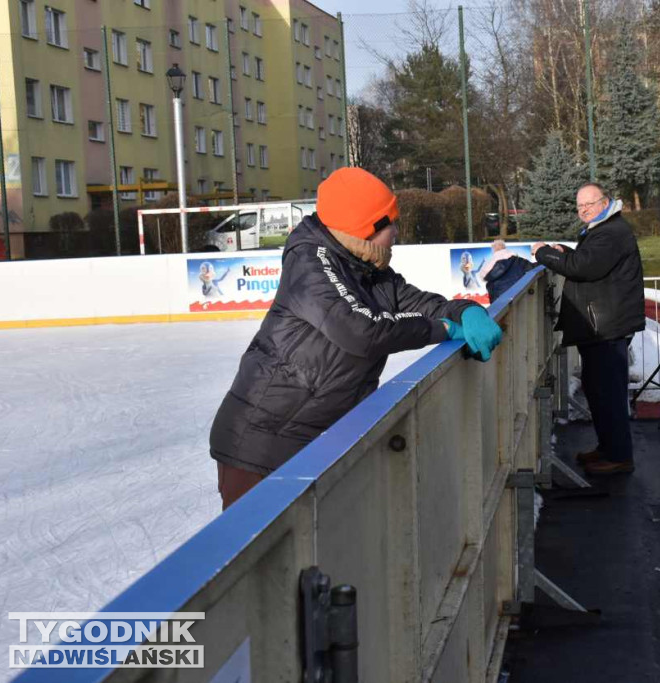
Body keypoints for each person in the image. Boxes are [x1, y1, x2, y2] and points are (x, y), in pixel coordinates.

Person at [210, 168, 503, 509]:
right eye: (390, 223)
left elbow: (420, 302)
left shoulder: (365, 266)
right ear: (367, 227)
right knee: (265, 558)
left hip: (314, 438)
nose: (396, 232)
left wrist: (464, 310)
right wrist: (442, 329)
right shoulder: (311, 262)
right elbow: (360, 331)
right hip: (259, 444)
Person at [531, 182, 645, 476]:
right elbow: (589, 262)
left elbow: (584, 267)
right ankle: (609, 448)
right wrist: (566, 252)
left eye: (589, 204)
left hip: (607, 328)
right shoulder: (604, 230)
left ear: (605, 202)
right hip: (602, 326)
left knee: (607, 394)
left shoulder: (610, 233)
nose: (584, 210)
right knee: (598, 391)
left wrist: (544, 253)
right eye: (580, 205)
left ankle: (619, 455)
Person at [480, 239, 535, 303]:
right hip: (519, 293)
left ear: (494, 249)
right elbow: (532, 268)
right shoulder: (518, 260)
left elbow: (483, 276)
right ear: (504, 247)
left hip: (500, 297)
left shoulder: (491, 263)